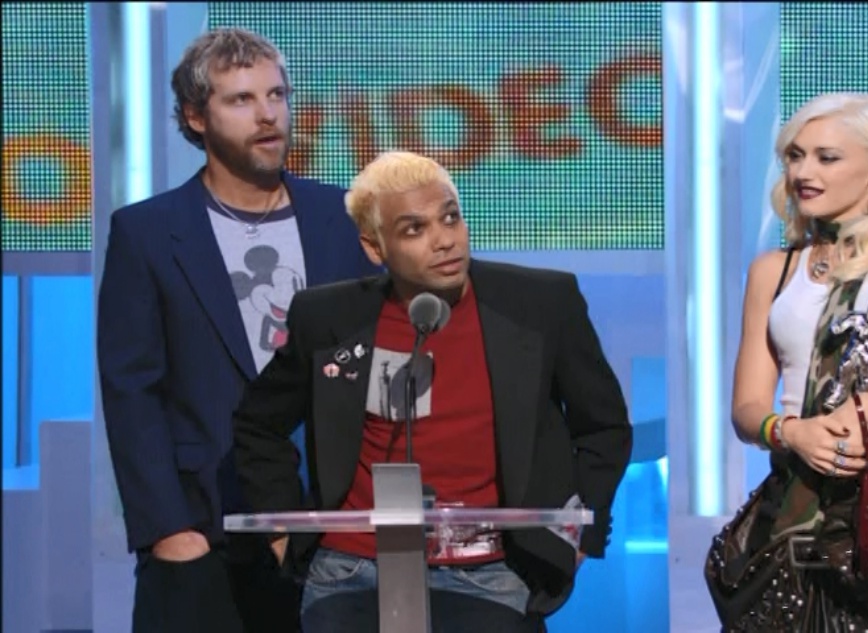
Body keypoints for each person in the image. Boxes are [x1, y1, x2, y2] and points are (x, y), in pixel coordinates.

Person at [231, 150, 633, 632]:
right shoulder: (327, 317)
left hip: (491, 572)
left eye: (450, 217)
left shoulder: (542, 304)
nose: (444, 240)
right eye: (414, 229)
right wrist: (280, 530)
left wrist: (581, 532)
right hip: (349, 569)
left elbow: (604, 427)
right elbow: (258, 425)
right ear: (375, 248)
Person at [97, 28, 379, 633]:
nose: (267, 114)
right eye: (242, 99)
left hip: (334, 531)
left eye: (276, 95)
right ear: (196, 117)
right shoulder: (147, 233)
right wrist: (168, 530)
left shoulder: (343, 217)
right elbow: (132, 392)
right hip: (204, 529)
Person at [705, 92, 868, 631]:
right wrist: (789, 431)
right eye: (794, 156)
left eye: (826, 157)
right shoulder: (773, 269)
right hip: (792, 511)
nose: (802, 172)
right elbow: (746, 408)